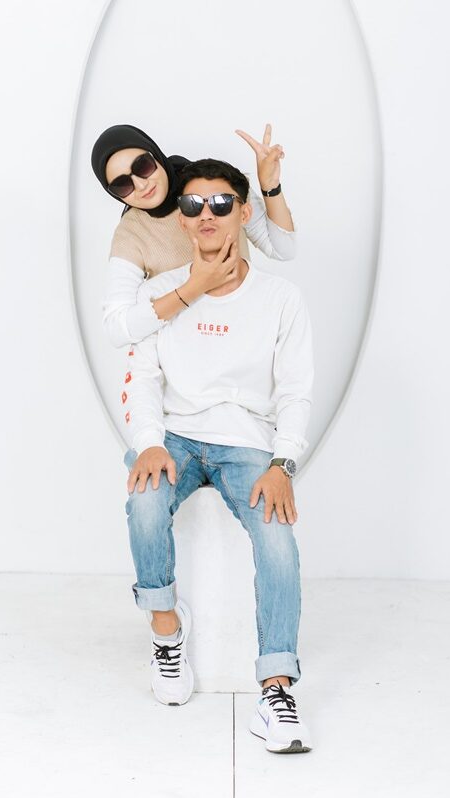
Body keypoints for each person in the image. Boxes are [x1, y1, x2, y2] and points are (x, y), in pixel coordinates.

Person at [123, 157, 314, 754]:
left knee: (277, 538)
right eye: (193, 204)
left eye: (222, 203)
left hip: (248, 443)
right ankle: (166, 628)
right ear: (181, 219)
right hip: (176, 436)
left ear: (243, 212)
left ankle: (276, 691)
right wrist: (149, 442)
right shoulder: (161, 293)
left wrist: (283, 464)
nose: (207, 214)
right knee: (144, 500)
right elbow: (142, 378)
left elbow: (296, 390)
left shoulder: (280, 297)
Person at [91, 123, 296, 348]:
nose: (140, 185)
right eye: (122, 185)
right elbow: (117, 329)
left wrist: (270, 186)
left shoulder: (215, 185)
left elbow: (282, 250)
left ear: (155, 155)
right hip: (185, 347)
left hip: (242, 331)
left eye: (143, 166)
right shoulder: (131, 232)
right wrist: (195, 287)